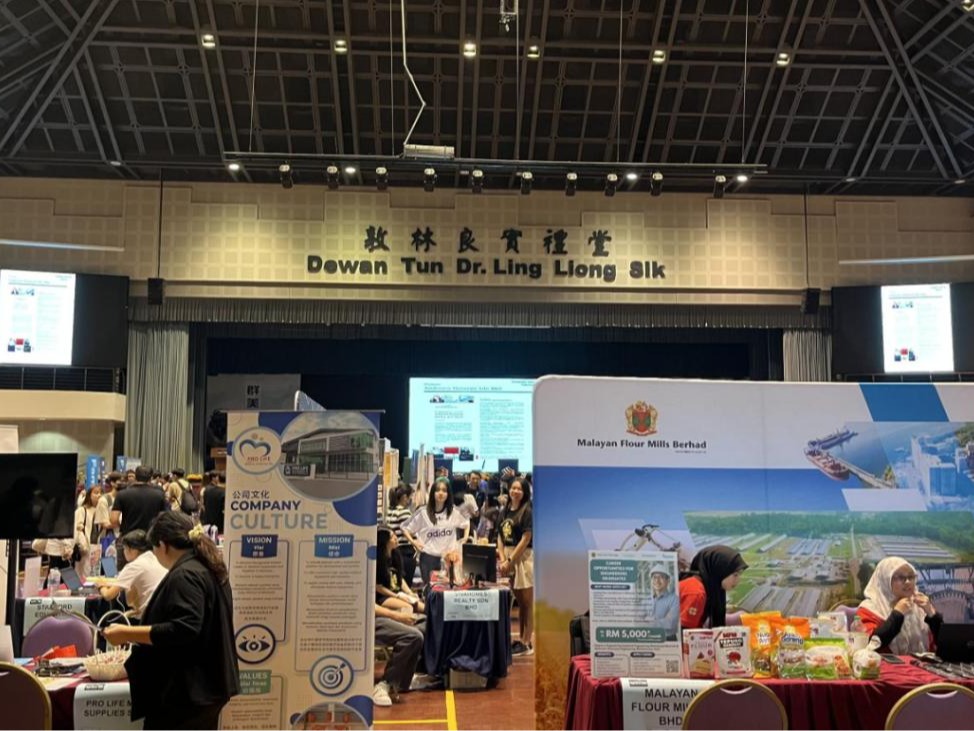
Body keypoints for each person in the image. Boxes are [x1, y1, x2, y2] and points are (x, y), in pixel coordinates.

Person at [103, 512, 240, 729]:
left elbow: (184, 628)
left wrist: (127, 633)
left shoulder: (186, 575)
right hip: (204, 687)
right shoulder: (207, 567)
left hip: (186, 693)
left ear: (163, 545)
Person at [856, 556, 942, 654]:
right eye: (901, 577)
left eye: (911, 577)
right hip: (883, 663)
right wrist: (897, 614)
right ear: (885, 581)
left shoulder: (920, 606)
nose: (908, 582)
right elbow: (871, 644)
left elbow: (946, 644)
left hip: (921, 662)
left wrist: (932, 615)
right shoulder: (869, 609)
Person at [402, 477, 469, 587]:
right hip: (429, 558)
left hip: (449, 559)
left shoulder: (453, 511)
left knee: (449, 589)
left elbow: (466, 522)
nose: (441, 493)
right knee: (430, 590)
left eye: (444, 490)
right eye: (437, 490)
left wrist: (464, 539)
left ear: (448, 494)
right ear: (433, 492)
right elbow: (404, 527)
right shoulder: (423, 512)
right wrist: (414, 542)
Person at [497, 477, 534, 655]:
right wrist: (503, 558)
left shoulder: (528, 511)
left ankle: (527, 642)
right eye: (513, 488)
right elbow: (499, 537)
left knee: (527, 603)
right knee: (519, 601)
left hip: (523, 558)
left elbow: (526, 539)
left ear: (525, 492)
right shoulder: (504, 510)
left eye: (519, 489)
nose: (516, 491)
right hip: (509, 558)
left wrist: (510, 560)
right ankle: (520, 639)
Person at [98, 530, 168, 618]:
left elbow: (108, 595)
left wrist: (100, 586)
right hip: (163, 613)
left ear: (132, 550)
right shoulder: (155, 558)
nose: (123, 552)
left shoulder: (134, 566)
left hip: (148, 617)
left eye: (124, 548)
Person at [679, 545, 747, 629]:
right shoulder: (696, 592)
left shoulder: (706, 588)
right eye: (735, 575)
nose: (738, 580)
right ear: (719, 571)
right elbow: (684, 633)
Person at [373, 602, 426, 706]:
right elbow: (367, 605)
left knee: (426, 622)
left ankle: (403, 679)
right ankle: (387, 683)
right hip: (365, 620)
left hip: (379, 614)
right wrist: (397, 616)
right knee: (413, 636)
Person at [376, 526, 425, 614]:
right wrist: (397, 596)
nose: (396, 538)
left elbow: (400, 578)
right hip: (383, 596)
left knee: (424, 608)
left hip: (398, 593)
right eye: (392, 537)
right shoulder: (378, 561)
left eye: (395, 535)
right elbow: (378, 587)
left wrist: (409, 593)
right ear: (384, 541)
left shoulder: (396, 555)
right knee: (408, 607)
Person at [386, 483, 417, 591]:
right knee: (406, 584)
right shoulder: (404, 512)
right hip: (406, 552)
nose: (410, 500)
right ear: (404, 497)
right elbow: (413, 532)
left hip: (395, 551)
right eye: (410, 497)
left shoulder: (390, 511)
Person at [642, 563, 679, 639]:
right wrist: (661, 621)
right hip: (649, 638)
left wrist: (650, 621)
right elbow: (639, 620)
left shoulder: (674, 599)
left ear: (668, 580)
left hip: (668, 639)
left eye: (661, 577)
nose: (657, 580)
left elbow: (670, 623)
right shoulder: (646, 600)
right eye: (654, 577)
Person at [74, 485, 102, 578]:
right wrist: (83, 545)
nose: (99, 495)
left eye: (100, 493)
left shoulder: (100, 511)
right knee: (82, 575)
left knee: (93, 575)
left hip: (96, 548)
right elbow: (77, 530)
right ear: (89, 495)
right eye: (96, 493)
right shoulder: (82, 510)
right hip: (84, 548)